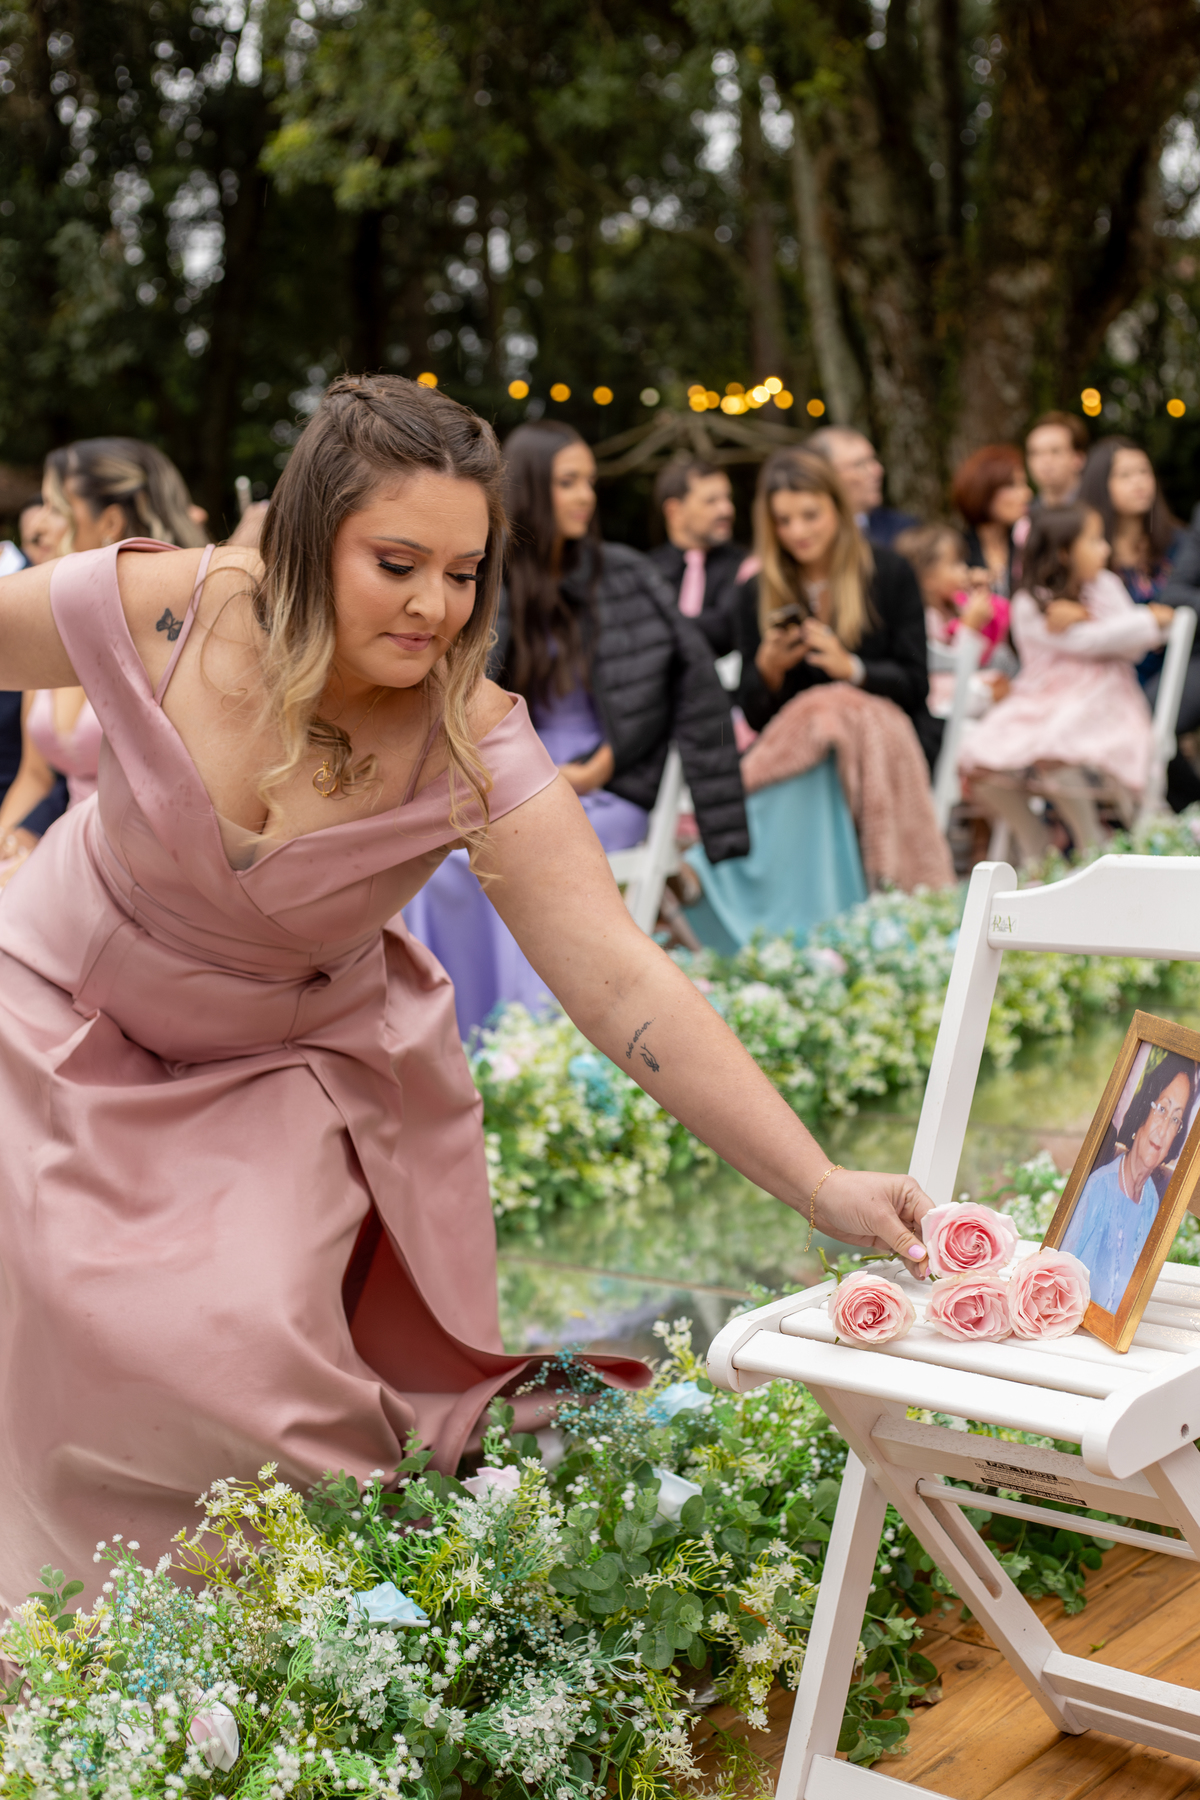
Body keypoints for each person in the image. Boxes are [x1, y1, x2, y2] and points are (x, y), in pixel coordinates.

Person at [0, 373, 934, 1611]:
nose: (435, 607)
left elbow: (621, 979)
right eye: (396, 564)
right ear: (306, 536)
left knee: (253, 1354)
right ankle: (66, 1633)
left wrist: (818, 1183)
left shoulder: (473, 741)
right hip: (53, 991)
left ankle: (279, 1642)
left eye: (463, 572)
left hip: (277, 1062)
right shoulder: (173, 606)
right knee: (52, 1300)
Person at [405, 420, 748, 1032]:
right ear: (533, 488)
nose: (586, 496)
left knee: (519, 858)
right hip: (505, 778)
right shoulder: (484, 581)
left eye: (589, 481)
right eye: (568, 482)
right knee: (443, 867)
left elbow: (688, 686)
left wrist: (602, 766)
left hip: (607, 783)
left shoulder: (626, 575)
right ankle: (466, 1034)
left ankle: (534, 1036)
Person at [686, 449, 948, 950]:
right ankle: (813, 924)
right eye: (784, 521)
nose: (798, 532)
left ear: (836, 508)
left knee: (828, 722)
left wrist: (852, 669)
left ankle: (724, 887)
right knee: (819, 738)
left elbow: (916, 685)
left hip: (887, 739)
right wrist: (768, 669)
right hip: (799, 748)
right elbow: (758, 716)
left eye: (810, 515)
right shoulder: (757, 592)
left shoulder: (889, 572)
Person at [0, 439, 209, 886]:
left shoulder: (178, 636)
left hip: (147, 874)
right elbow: (34, 776)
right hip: (63, 855)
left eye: (55, 507)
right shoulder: (54, 628)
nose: (38, 528)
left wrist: (38, 861)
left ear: (110, 522)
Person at [959, 503, 1172, 864]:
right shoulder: (1030, 602)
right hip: (1041, 700)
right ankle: (1036, 842)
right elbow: (1086, 642)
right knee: (978, 754)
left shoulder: (1105, 586)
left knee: (1058, 740)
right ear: (1063, 553)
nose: (1105, 548)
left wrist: (1091, 617)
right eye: (1094, 541)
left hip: (1104, 701)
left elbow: (1133, 647)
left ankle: (1092, 845)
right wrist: (1148, 618)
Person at [1061, 1053, 1197, 1314]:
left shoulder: (1152, 1202)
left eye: (1175, 1119)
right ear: (1144, 1107)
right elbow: (1062, 1280)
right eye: (1162, 1109)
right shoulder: (1099, 1188)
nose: (1164, 1129)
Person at [895, 522, 1011, 728]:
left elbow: (989, 649)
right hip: (938, 695)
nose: (965, 571)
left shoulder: (953, 606)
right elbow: (952, 664)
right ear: (928, 579)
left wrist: (982, 597)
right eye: (955, 564)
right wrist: (969, 626)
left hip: (961, 683)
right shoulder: (925, 617)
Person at [647, 456, 747, 656]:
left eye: (727, 498)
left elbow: (730, 628)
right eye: (711, 501)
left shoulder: (746, 564)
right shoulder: (646, 570)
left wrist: (659, 625)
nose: (727, 510)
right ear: (675, 512)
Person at [807, 426, 918, 548]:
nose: (878, 471)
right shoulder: (808, 539)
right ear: (826, 475)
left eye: (874, 460)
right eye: (860, 464)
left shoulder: (903, 531)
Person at [950, 444, 1032, 597]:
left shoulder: (1028, 542)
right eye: (1013, 485)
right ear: (984, 491)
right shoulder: (957, 551)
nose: (1027, 493)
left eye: (1023, 484)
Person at [1025, 411, 1088, 508]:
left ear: (1079, 458)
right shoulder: (1025, 513)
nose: (1045, 460)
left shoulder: (1100, 509)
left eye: (1055, 451)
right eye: (1035, 453)